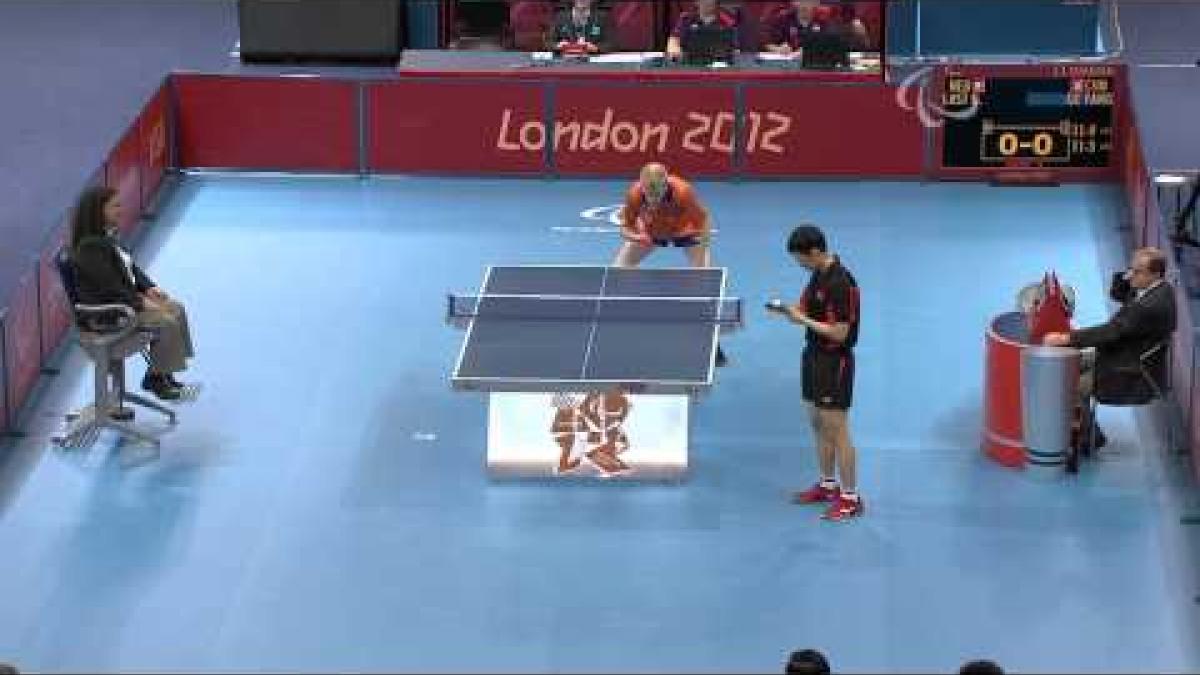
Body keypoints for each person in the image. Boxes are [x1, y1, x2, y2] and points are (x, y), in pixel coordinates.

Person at [766, 224, 862, 520]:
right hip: (813, 356)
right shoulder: (817, 274)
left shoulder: (839, 283)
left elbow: (841, 334)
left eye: (801, 259)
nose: (799, 265)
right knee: (818, 423)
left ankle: (851, 497)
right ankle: (827, 484)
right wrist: (789, 311)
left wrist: (802, 320)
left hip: (835, 361)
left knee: (838, 430)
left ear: (816, 252)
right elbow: (807, 309)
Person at [69, 185, 196, 401]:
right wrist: (140, 302)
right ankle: (157, 379)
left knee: (176, 308)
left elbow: (130, 267)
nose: (121, 209)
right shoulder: (89, 247)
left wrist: (149, 287)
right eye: (115, 206)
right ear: (98, 211)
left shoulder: (106, 237)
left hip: (125, 301)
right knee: (166, 321)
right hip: (108, 314)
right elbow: (110, 286)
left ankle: (160, 373)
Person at [1043, 247, 1177, 448]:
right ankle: (1087, 432)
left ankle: (1091, 437)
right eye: (1130, 268)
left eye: (1137, 272)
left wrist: (1066, 338)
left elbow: (1111, 332)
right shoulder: (1159, 287)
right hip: (1124, 352)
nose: (1131, 275)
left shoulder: (1148, 307)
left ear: (1155, 274)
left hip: (1130, 370)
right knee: (1068, 361)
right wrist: (1131, 272)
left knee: (1068, 384)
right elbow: (1117, 294)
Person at [613, 162, 727, 367]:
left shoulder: (683, 192)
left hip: (686, 233)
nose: (654, 201)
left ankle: (713, 346)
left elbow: (704, 221)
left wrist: (702, 256)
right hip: (653, 233)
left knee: (705, 286)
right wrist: (637, 237)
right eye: (650, 196)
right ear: (642, 186)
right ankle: (621, 333)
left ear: (666, 184)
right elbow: (624, 229)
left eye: (657, 196)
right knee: (618, 271)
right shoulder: (634, 194)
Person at [764, 0, 869, 57]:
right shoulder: (783, 18)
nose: (806, 3)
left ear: (818, 2)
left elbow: (834, 44)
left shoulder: (826, 18)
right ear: (793, 2)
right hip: (788, 69)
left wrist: (810, 51)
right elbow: (766, 43)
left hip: (816, 70)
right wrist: (777, 49)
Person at [666, 0, 738, 63]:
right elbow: (673, 40)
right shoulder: (686, 19)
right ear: (697, 2)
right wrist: (674, 49)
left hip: (719, 64)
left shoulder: (727, 20)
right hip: (690, 63)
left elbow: (734, 47)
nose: (707, 2)